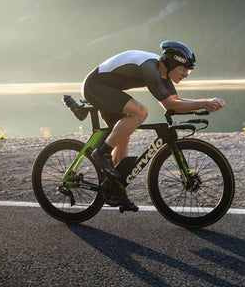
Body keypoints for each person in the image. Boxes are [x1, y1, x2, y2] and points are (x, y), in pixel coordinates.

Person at [82, 41, 225, 212]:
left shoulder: (164, 74)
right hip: (95, 87)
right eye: (184, 69)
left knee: (123, 138)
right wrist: (204, 103)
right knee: (141, 112)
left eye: (189, 71)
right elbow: (171, 106)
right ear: (172, 64)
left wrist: (204, 104)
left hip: (108, 89)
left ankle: (116, 190)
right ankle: (102, 152)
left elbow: (174, 103)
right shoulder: (150, 68)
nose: (186, 74)